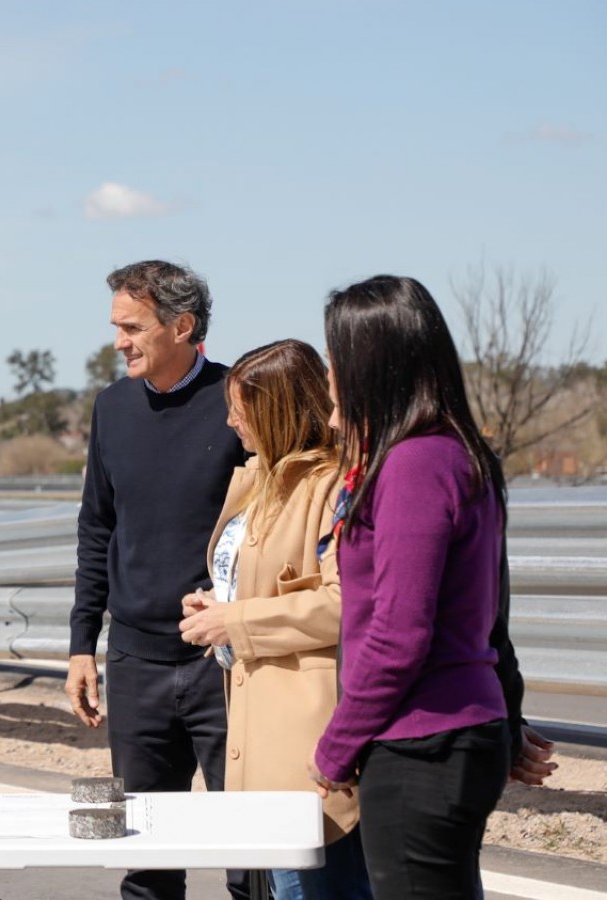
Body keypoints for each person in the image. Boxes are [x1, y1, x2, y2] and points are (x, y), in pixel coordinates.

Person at [309, 275, 556, 898]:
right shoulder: (453, 453)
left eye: (336, 360)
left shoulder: (415, 464)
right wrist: (505, 715)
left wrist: (336, 747)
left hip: (423, 741)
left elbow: (399, 634)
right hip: (450, 733)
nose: (330, 376)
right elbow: (488, 615)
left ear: (371, 364)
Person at [64, 260, 249, 900]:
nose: (119, 342)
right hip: (136, 662)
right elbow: (97, 529)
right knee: (145, 858)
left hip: (224, 663)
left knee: (249, 856)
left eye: (133, 327)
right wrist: (81, 644)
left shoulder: (239, 401)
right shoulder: (111, 408)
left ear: (183, 326)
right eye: (117, 327)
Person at [178, 340, 369, 899]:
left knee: (320, 889)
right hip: (256, 722)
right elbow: (263, 585)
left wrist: (234, 621)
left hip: (308, 734)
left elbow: (345, 602)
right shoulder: (258, 482)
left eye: (242, 407)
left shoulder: (333, 486)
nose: (231, 419)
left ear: (279, 409)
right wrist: (218, 602)